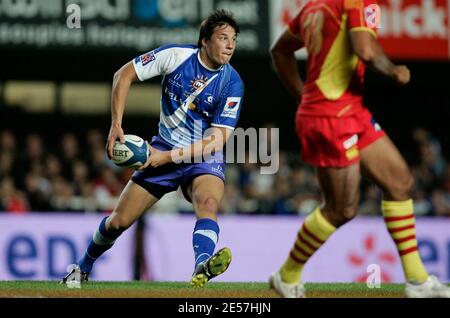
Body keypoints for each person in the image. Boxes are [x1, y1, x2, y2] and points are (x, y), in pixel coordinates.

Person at [268, 0, 450, 298]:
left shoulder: (314, 6)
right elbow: (365, 49)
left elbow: (280, 50)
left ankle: (417, 281)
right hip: (331, 118)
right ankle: (286, 275)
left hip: (350, 111)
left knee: (399, 181)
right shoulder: (355, 1)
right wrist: (394, 71)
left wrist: (305, 98)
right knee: (341, 209)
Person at [61, 9, 244, 288]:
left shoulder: (232, 83)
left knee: (208, 203)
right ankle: (82, 268)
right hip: (163, 147)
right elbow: (123, 75)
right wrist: (116, 124)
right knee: (117, 223)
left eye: (234, 39)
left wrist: (166, 158)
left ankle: (202, 266)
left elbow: (217, 141)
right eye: (223, 38)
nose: (230, 45)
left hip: (202, 154)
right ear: (204, 41)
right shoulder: (175, 56)